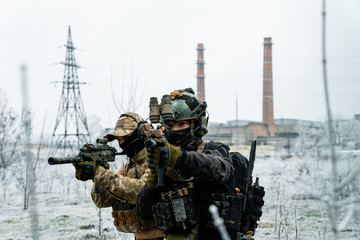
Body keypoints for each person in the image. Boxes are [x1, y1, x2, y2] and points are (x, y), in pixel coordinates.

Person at [136, 88, 241, 240]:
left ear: (197, 124)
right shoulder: (163, 159)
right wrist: (153, 179)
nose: (175, 130)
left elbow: (219, 170)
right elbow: (142, 213)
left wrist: (177, 157)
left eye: (182, 124)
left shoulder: (215, 149)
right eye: (170, 126)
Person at [73, 112, 164, 240]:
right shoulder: (127, 167)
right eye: (119, 139)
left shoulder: (157, 159)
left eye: (124, 137)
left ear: (140, 134)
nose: (121, 143)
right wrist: (97, 171)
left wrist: (99, 173)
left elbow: (141, 191)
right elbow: (102, 201)